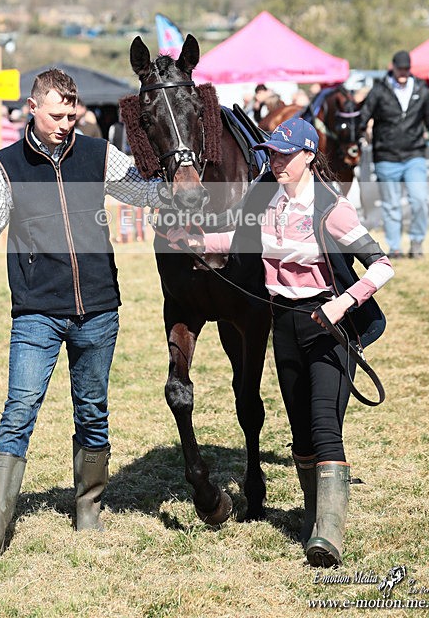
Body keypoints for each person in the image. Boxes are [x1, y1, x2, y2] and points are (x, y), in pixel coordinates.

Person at [0, 68, 164, 562]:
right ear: (33, 107)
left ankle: (89, 511)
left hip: (99, 310)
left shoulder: (98, 154)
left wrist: (162, 154)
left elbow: (150, 192)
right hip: (37, 312)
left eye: (72, 114)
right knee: (19, 410)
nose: (66, 123)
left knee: (93, 411)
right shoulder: (5, 167)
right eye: (57, 114)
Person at [167, 117, 394, 568]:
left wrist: (343, 303)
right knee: (300, 435)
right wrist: (194, 239)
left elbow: (382, 265)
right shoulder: (266, 201)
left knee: (325, 425)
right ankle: (314, 520)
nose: (276, 161)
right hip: (285, 325)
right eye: (271, 153)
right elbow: (237, 238)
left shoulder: (331, 207)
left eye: (285, 154)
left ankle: (328, 536)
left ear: (308, 156)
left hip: (330, 326)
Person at [358, 50, 429, 259]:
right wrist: (359, 135)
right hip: (386, 156)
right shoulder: (379, 90)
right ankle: (395, 247)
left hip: (414, 154)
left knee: (419, 200)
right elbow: (363, 116)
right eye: (400, 69)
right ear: (393, 67)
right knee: (391, 205)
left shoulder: (421, 89)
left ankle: (417, 242)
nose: (403, 73)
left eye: (407, 69)